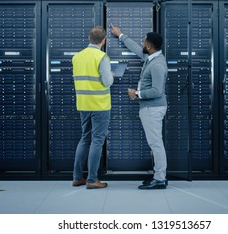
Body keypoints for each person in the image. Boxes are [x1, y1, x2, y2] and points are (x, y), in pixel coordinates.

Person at [110, 24, 168, 190]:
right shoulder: (152, 58)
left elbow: (157, 91)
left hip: (153, 108)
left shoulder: (157, 65)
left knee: (156, 143)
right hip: (150, 108)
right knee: (155, 142)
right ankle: (159, 176)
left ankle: (160, 178)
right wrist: (121, 35)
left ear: (149, 46)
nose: (142, 43)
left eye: (144, 42)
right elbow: (137, 49)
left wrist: (137, 94)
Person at [72, 26, 113, 189]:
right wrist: (112, 74)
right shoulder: (101, 56)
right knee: (97, 140)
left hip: (83, 103)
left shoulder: (77, 56)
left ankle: (77, 177)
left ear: (89, 39)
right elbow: (107, 82)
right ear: (104, 41)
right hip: (99, 104)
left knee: (85, 138)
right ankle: (92, 180)